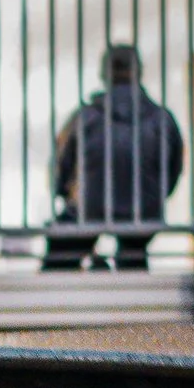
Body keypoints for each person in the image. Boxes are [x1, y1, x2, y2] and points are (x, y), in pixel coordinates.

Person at [44, 45, 184, 270]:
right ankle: (135, 276)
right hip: (144, 213)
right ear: (139, 72)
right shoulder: (162, 120)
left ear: (103, 73)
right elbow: (173, 171)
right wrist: (152, 197)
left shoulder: (84, 118)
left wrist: (64, 192)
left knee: (61, 254)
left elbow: (60, 168)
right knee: (134, 251)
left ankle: (56, 294)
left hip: (89, 210)